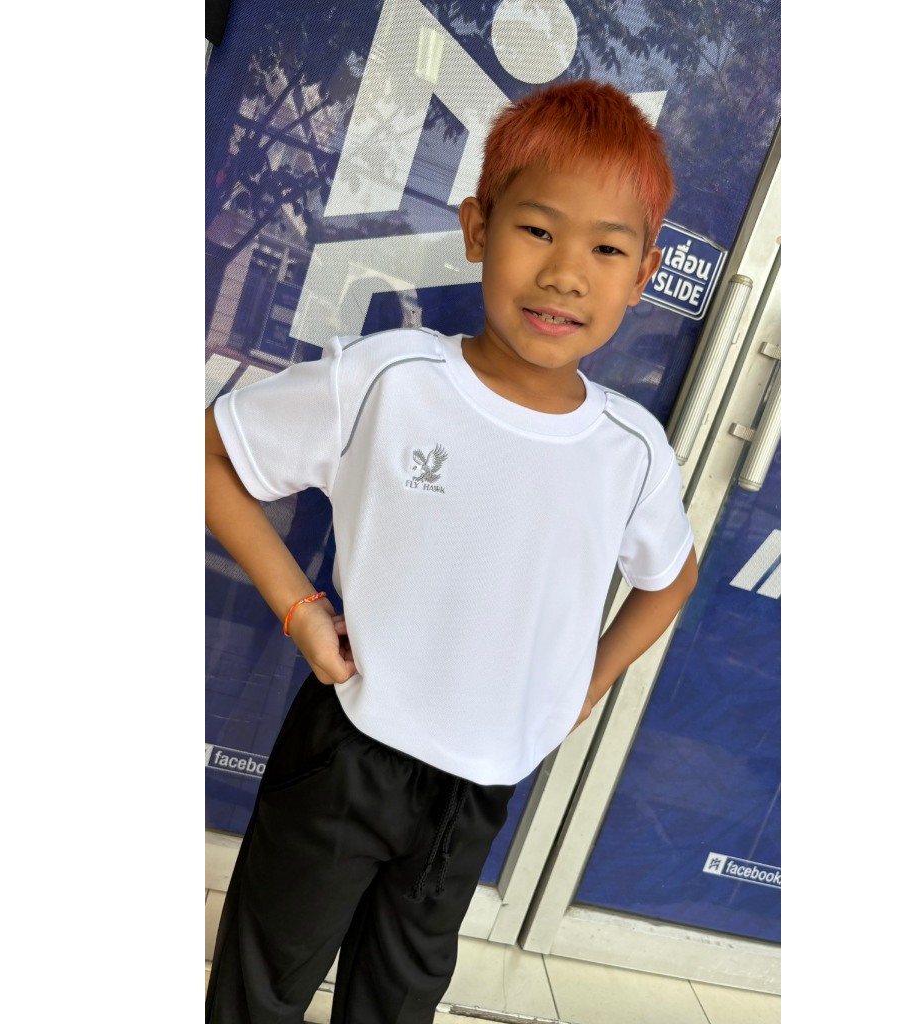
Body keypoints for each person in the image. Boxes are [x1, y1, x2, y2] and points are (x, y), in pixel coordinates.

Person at [205, 79, 699, 1024]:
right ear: (478, 227)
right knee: (260, 988)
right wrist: (300, 610)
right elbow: (209, 455)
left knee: (398, 1002)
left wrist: (584, 684)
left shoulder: (631, 450)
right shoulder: (393, 379)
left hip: (478, 784)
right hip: (347, 750)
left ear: (643, 274)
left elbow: (670, 577)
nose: (566, 274)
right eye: (538, 230)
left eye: (606, 249)